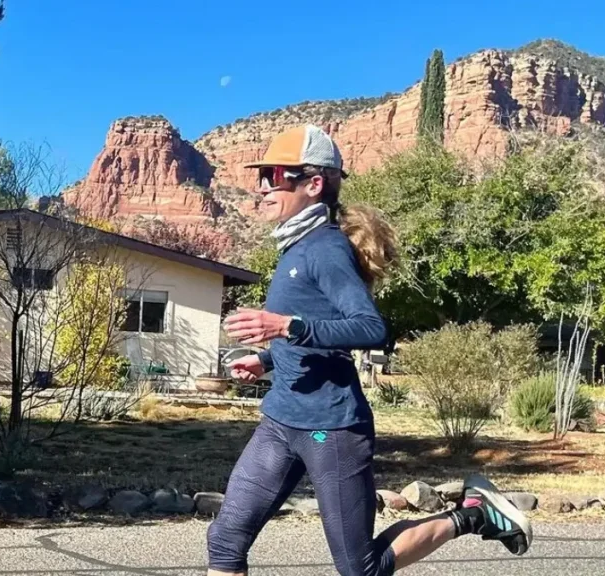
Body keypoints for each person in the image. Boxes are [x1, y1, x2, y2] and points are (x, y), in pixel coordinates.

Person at [211, 125, 532, 576]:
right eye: (261, 176)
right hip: (281, 420)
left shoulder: (325, 249)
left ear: (313, 184)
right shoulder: (295, 248)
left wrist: (284, 325)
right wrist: (266, 358)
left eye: (274, 175)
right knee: (226, 540)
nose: (262, 187)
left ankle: (473, 514)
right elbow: (317, 334)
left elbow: (368, 327)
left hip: (332, 430)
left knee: (360, 567)